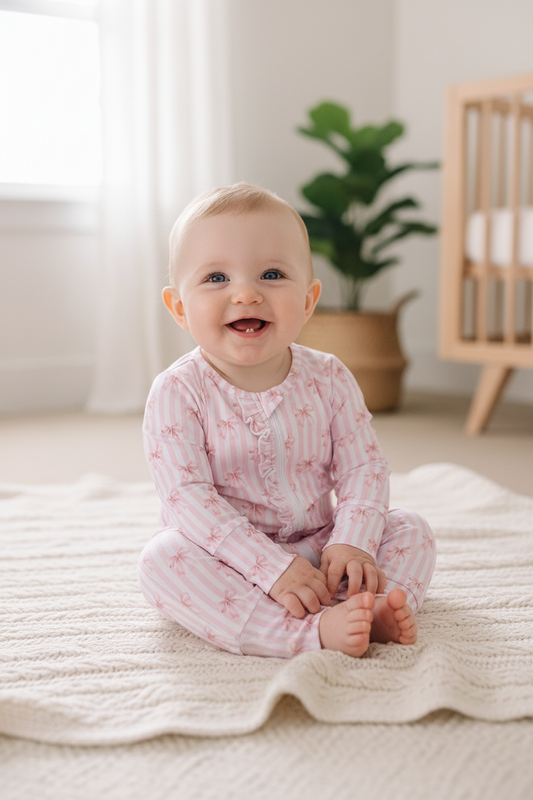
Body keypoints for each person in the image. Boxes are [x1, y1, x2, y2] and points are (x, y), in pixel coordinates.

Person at [138, 182, 436, 659]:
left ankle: (367, 607)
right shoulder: (177, 391)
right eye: (216, 278)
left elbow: (363, 468)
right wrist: (269, 567)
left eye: (272, 273)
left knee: (410, 528)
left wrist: (353, 544)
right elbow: (187, 498)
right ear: (179, 307)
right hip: (231, 560)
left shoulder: (330, 377)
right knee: (162, 559)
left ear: (308, 300)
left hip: (324, 546)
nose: (246, 294)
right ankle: (303, 633)